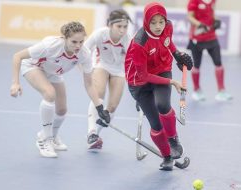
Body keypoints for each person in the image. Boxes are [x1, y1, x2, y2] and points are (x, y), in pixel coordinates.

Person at [10, 21, 110, 158]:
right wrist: (15, 83)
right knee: (49, 93)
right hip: (34, 66)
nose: (78, 46)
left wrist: (99, 107)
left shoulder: (84, 54)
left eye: (81, 42)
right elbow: (18, 56)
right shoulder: (50, 46)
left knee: (62, 110)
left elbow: (89, 84)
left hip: (54, 72)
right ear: (65, 38)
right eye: (74, 42)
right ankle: (44, 139)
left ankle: (54, 136)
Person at [124, 2, 193, 170]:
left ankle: (173, 139)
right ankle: (167, 156)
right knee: (155, 124)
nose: (158, 26)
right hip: (139, 82)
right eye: (153, 22)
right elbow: (144, 75)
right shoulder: (140, 43)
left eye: (161, 22)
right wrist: (172, 82)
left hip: (161, 70)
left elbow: (167, 42)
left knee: (163, 104)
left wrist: (177, 55)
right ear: (147, 22)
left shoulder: (168, 27)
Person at [84, 9, 132, 150]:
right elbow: (84, 49)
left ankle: (96, 135)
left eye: (125, 27)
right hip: (101, 65)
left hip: (119, 71)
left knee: (112, 107)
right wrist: (86, 70)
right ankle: (91, 132)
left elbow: (134, 62)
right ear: (110, 25)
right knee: (98, 94)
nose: (122, 30)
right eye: (119, 26)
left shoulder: (128, 40)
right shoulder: (100, 34)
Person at [187, 0, 232, 101]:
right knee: (197, 65)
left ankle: (221, 91)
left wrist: (216, 20)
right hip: (197, 39)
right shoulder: (194, 1)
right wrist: (199, 24)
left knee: (218, 63)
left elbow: (212, 13)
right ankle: (197, 91)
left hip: (211, 37)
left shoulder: (213, 1)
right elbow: (190, 16)